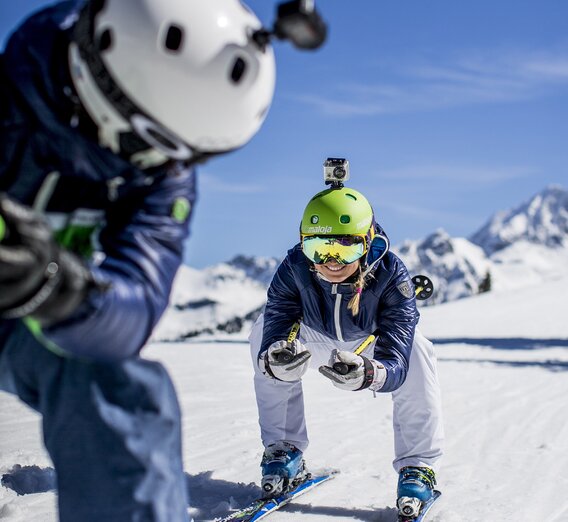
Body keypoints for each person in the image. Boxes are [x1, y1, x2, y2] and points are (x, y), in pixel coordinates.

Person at [0, 1, 325, 521]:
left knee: (124, 393)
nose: (169, 167)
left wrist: (60, 289)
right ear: (101, 83)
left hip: (29, 323)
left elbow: (136, 306)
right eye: (154, 144)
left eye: (191, 154)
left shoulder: (164, 172)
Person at [249, 181, 444, 518]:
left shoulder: (391, 274)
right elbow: (279, 315)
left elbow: (397, 355)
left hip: (367, 348)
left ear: (367, 244)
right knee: (260, 333)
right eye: (318, 250)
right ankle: (284, 449)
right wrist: (275, 356)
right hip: (316, 340)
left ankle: (417, 467)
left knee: (418, 351)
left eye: (345, 250)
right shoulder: (294, 268)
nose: (331, 262)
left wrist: (372, 373)